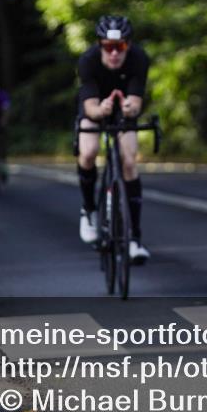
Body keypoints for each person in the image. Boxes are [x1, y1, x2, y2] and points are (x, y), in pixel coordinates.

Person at [76, 15, 151, 263]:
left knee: (129, 160)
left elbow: (136, 102)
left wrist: (129, 108)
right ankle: (88, 209)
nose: (115, 53)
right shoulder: (87, 61)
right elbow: (90, 108)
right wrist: (102, 110)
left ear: (128, 45)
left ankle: (134, 239)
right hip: (95, 108)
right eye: (108, 47)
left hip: (122, 110)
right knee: (88, 152)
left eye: (121, 47)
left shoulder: (138, 59)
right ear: (100, 45)